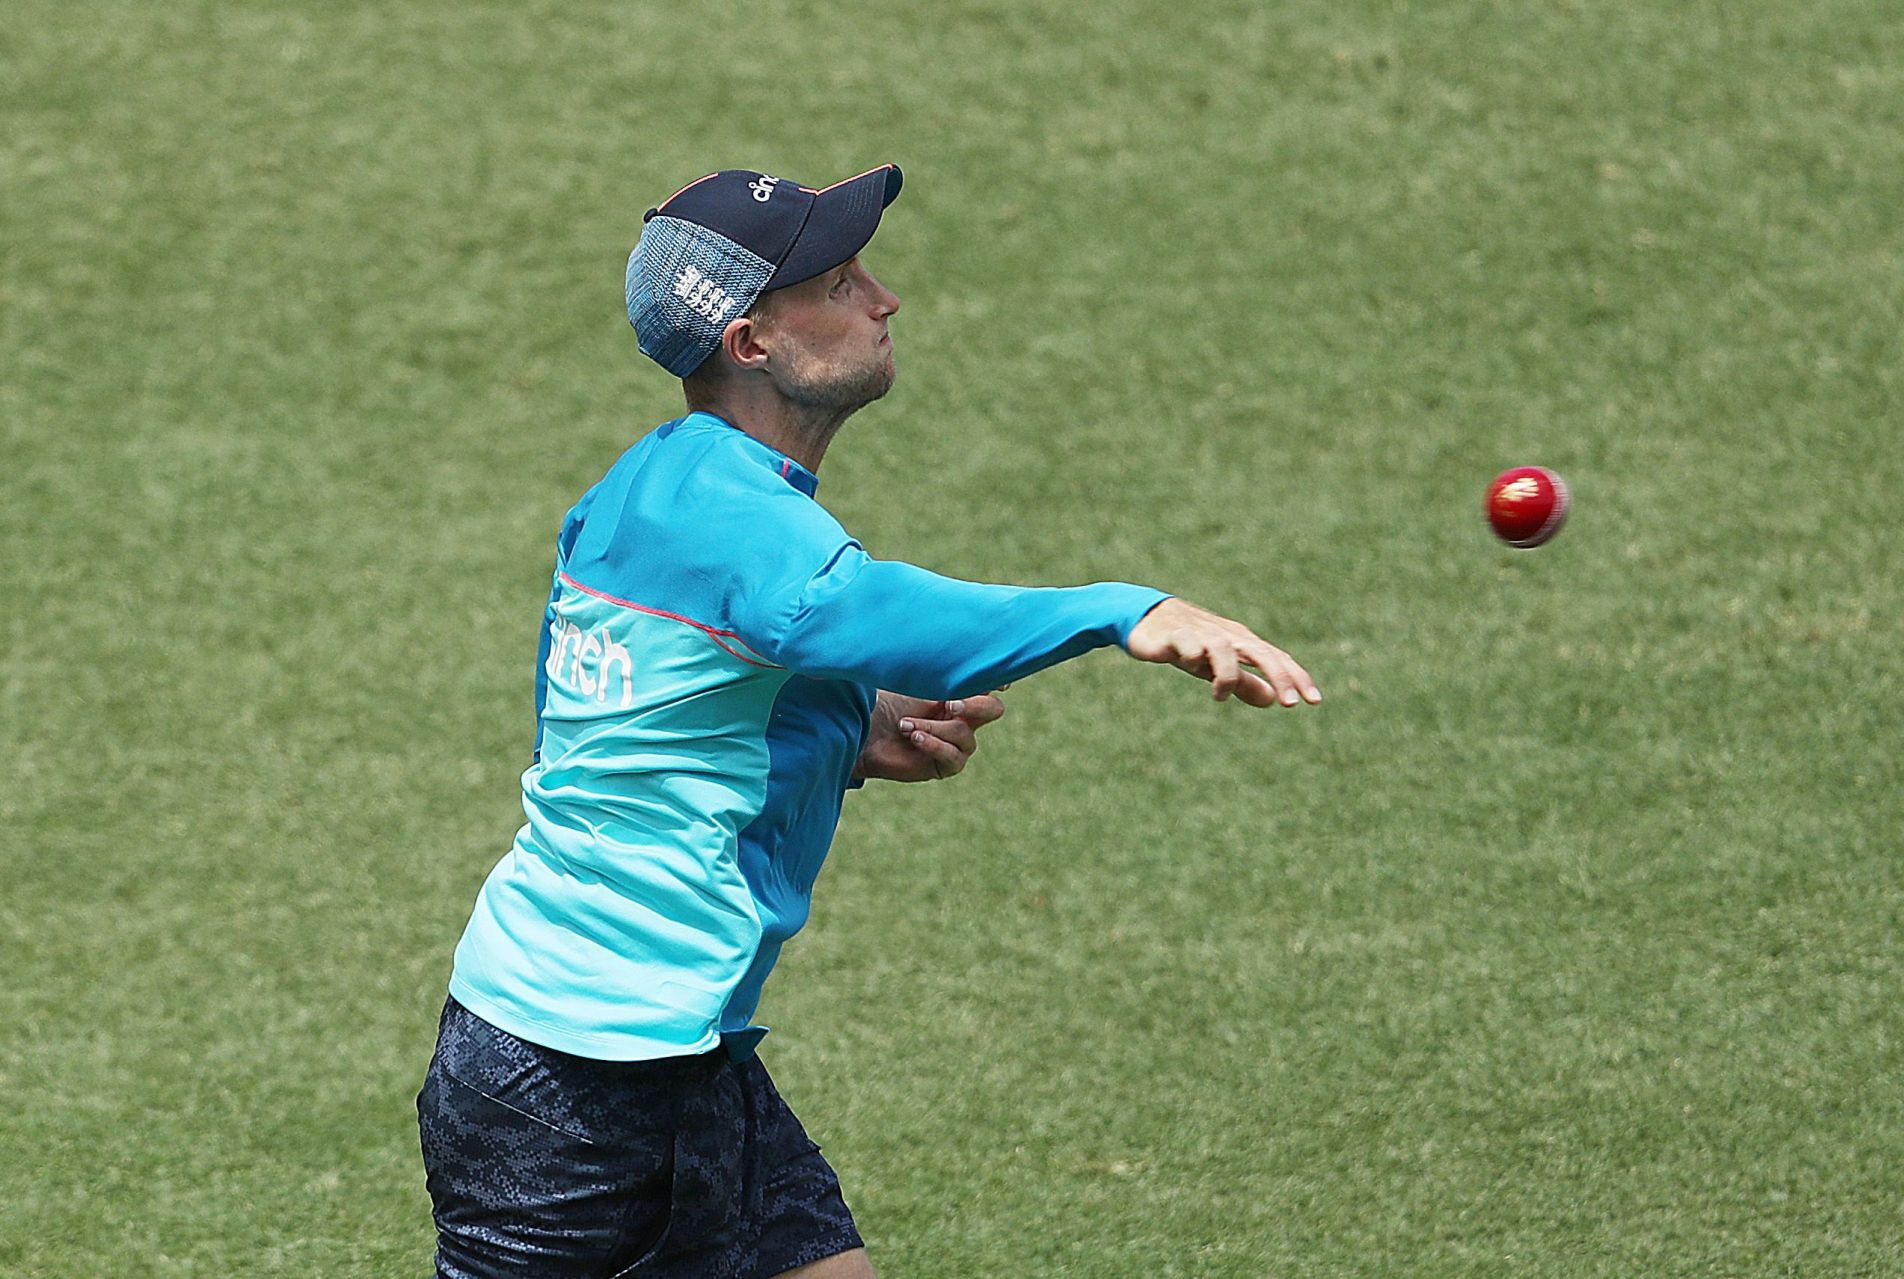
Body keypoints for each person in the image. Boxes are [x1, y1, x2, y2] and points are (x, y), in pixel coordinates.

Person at [416, 163, 1320, 1279]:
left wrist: (845, 729)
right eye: (842, 283)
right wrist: (1126, 611)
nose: (884, 299)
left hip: (668, 1055)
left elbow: (631, 716)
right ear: (750, 342)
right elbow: (880, 618)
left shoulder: (649, 485)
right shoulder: (734, 517)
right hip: (571, 1085)